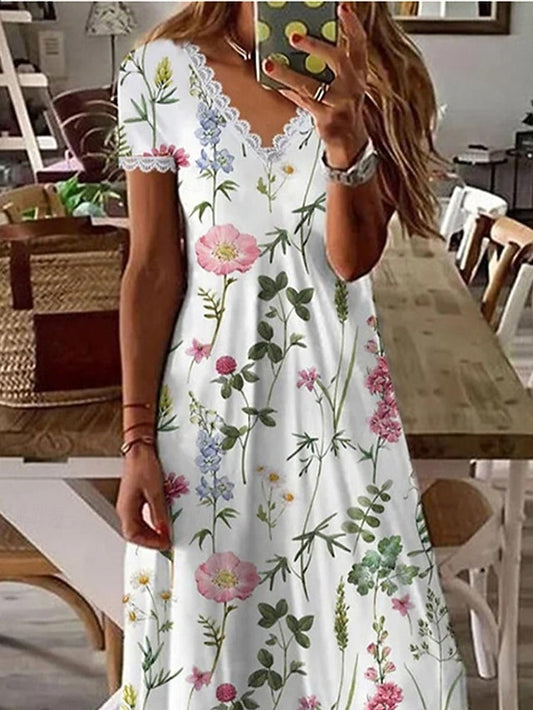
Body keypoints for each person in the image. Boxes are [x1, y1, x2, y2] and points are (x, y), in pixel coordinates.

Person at [115, 2, 468, 709]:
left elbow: (351, 262)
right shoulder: (159, 70)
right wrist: (136, 438)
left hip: (338, 407)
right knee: (211, 644)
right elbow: (152, 267)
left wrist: (344, 136)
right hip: (209, 413)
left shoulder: (379, 72)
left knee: (367, 645)